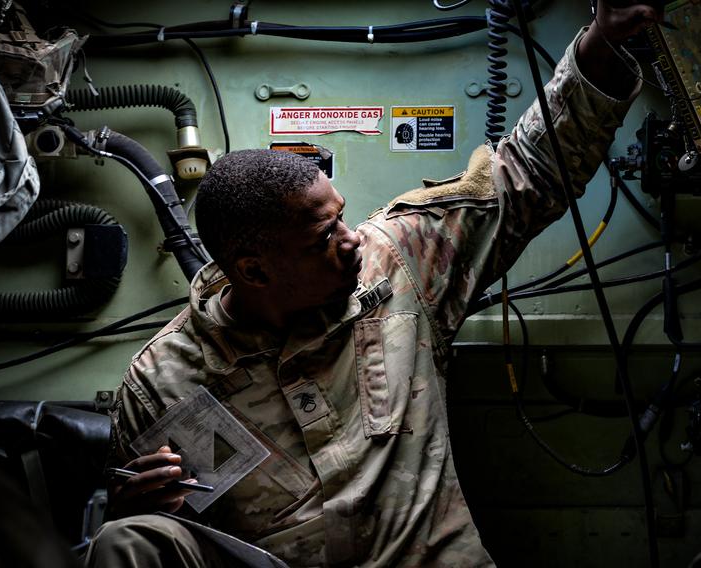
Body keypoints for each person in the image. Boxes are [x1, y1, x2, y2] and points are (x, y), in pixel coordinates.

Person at [85, 2, 662, 566]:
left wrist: (602, 40)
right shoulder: (163, 383)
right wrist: (131, 505)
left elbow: (528, 172)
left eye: (341, 216)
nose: (352, 240)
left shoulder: (397, 261)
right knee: (130, 540)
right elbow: (160, 526)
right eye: (322, 237)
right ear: (255, 271)